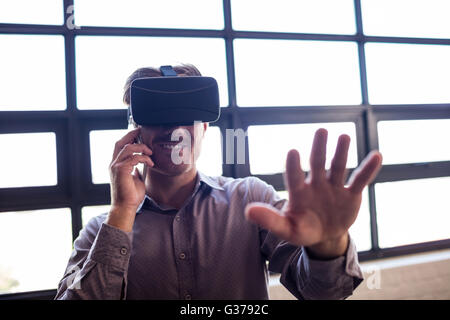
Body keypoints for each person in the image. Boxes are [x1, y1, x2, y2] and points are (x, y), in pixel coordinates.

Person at [55, 64, 382, 300]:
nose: (174, 129)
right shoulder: (102, 231)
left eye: (186, 114)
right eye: (158, 115)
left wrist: (328, 245)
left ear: (205, 129)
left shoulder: (250, 198)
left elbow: (325, 292)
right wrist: (123, 212)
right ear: (134, 131)